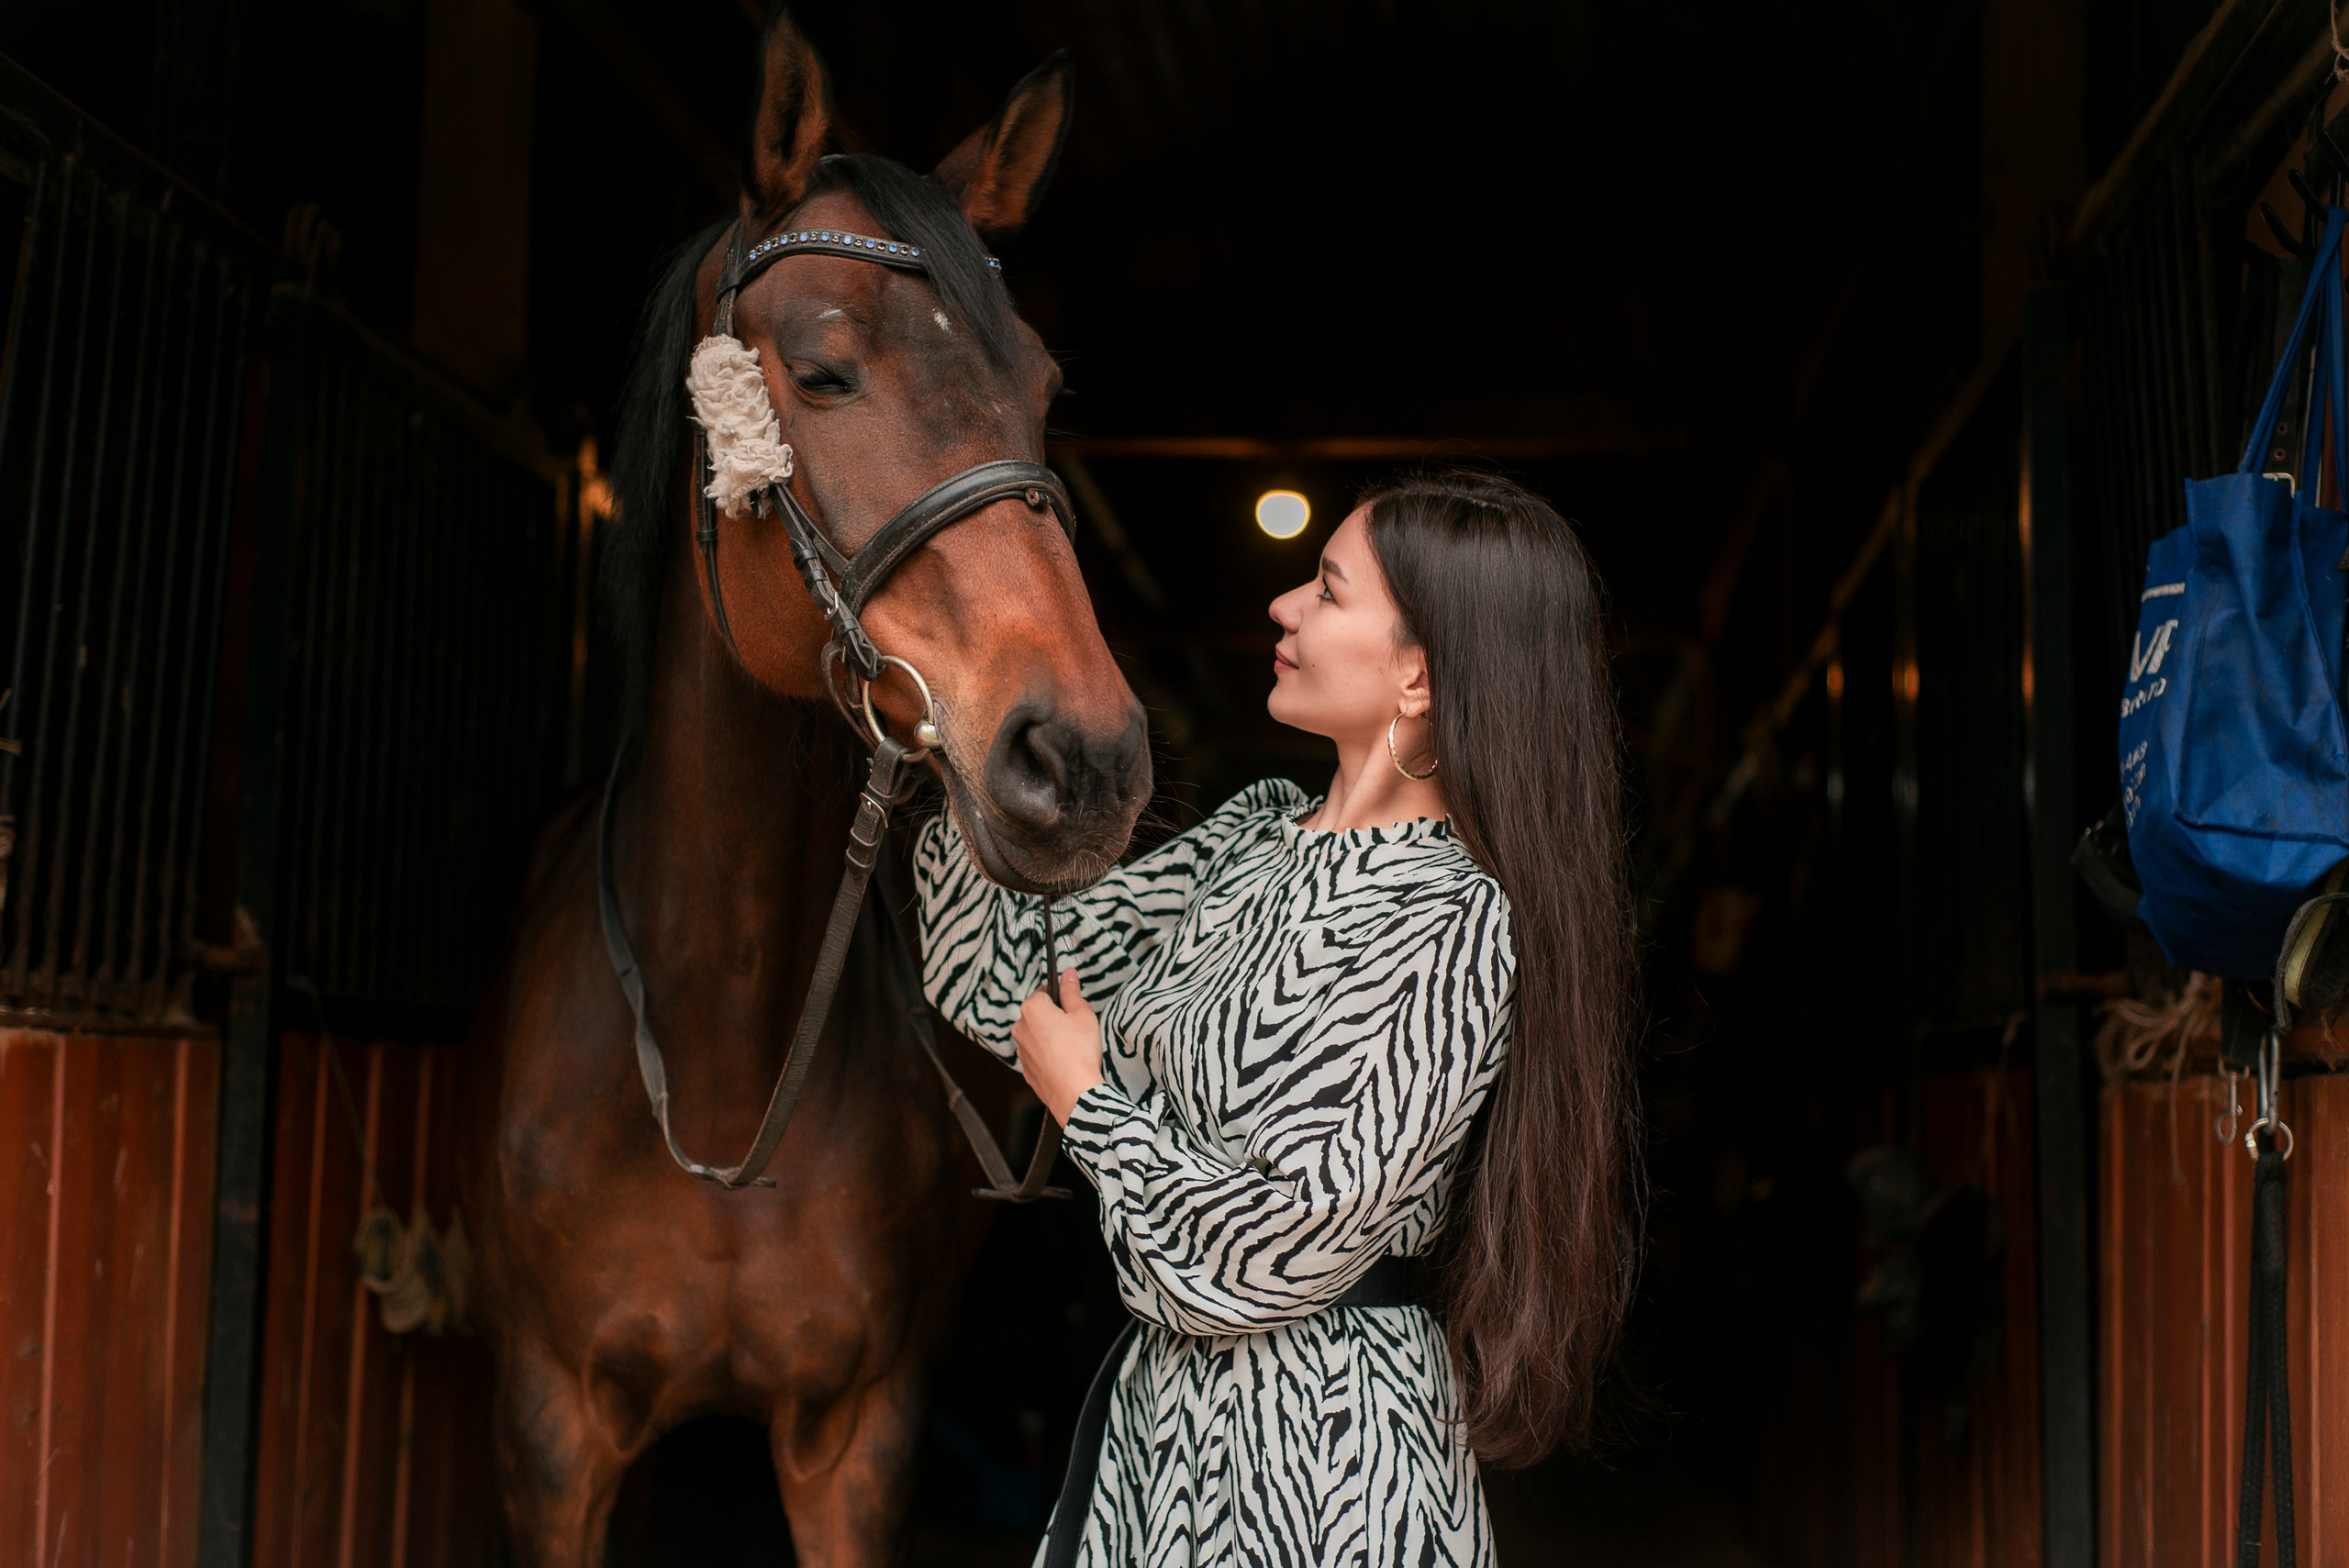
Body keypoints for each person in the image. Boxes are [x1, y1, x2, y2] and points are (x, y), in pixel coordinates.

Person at [916, 468, 1643, 1566]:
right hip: (1165, 1429)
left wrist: (1088, 1102)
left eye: (1329, 590)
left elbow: (1272, 1247)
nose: (1283, 606)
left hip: (1320, 1452)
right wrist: (953, 725)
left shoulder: (1449, 918)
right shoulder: (1255, 838)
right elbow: (1002, 973)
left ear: (1417, 674)